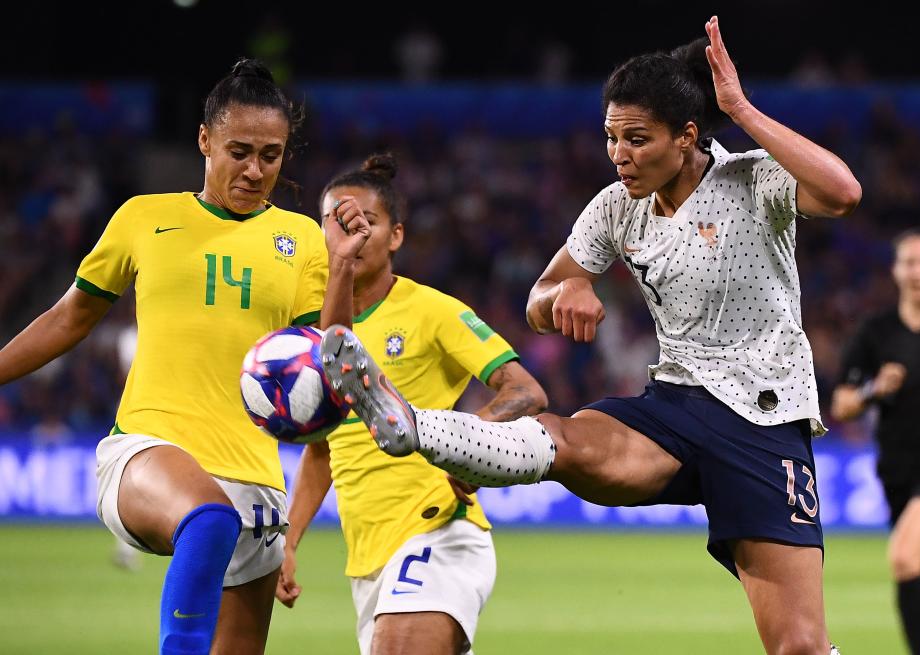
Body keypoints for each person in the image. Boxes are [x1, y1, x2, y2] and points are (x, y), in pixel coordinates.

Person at [320, 16, 860, 655]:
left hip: (764, 423)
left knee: (798, 646)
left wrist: (738, 107)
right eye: (611, 138)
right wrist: (567, 291)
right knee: (567, 440)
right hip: (677, 408)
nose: (620, 155)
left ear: (686, 137)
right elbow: (539, 299)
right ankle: (411, 425)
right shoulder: (614, 205)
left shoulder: (753, 180)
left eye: (637, 139)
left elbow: (844, 192)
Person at [0, 58, 370, 655]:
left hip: (257, 485)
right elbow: (68, 317)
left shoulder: (304, 240)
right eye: (239, 151)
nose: (255, 170)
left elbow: (329, 361)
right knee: (208, 518)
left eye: (270, 156)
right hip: (148, 450)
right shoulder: (145, 218)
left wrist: (344, 266)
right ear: (204, 140)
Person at [275, 153, 547, 655]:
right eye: (338, 225)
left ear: (396, 236)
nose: (352, 237)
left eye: (367, 223)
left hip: (438, 533)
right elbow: (321, 451)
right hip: (368, 561)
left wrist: (473, 442)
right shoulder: (314, 335)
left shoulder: (431, 311)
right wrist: (287, 544)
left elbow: (525, 391)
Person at [832, 230, 920, 655]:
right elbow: (843, 405)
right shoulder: (876, 333)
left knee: (905, 557)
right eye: (909, 262)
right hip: (896, 470)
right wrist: (873, 390)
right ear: (896, 271)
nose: (918, 271)